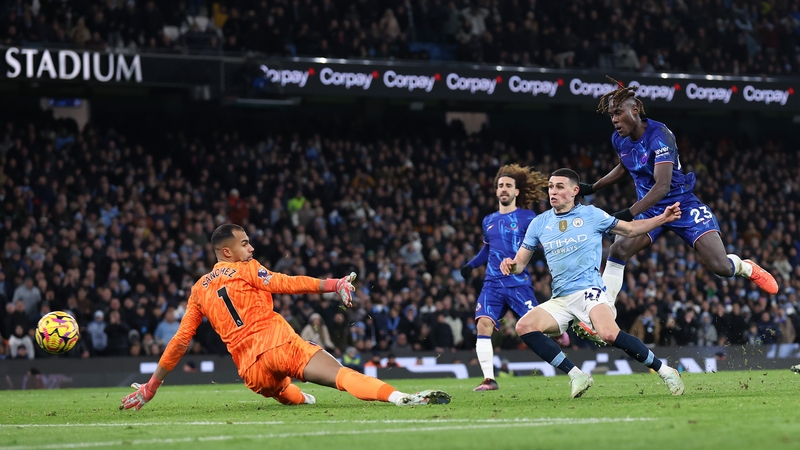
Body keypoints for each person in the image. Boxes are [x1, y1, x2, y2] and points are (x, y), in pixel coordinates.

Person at [120, 224, 449, 410]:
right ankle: (399, 397)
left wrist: (151, 387)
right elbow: (284, 283)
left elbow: (179, 341)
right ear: (226, 253)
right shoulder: (246, 268)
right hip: (276, 342)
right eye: (245, 243)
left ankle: (303, 399)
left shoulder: (197, 290)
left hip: (250, 370)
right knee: (341, 375)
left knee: (283, 391)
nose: (251, 248)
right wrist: (332, 284)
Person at [576, 77, 778, 343]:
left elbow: (661, 186)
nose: (614, 119)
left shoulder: (660, 135)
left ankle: (744, 266)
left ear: (635, 109)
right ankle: (605, 315)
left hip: (680, 204)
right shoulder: (619, 139)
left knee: (720, 267)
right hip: (650, 211)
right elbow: (626, 166)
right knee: (618, 249)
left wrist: (627, 214)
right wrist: (594, 187)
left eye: (618, 112)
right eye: (611, 115)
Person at [500, 168, 685, 398]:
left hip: (589, 291)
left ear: (575, 190)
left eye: (559, 186)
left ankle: (665, 370)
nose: (553, 191)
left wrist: (663, 218)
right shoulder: (539, 223)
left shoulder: (592, 215)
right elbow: (520, 262)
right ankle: (576, 374)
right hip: (560, 298)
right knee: (524, 326)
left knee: (609, 334)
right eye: (550, 187)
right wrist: (511, 265)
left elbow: (629, 229)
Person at [460, 164, 548, 391]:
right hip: (492, 284)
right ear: (496, 191)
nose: (504, 189)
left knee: (540, 327)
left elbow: (541, 246)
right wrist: (471, 266)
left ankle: (559, 335)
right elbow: (488, 250)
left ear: (517, 191)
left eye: (509, 185)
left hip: (518, 283)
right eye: (501, 186)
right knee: (483, 324)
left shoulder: (529, 217)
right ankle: (489, 379)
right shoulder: (488, 220)